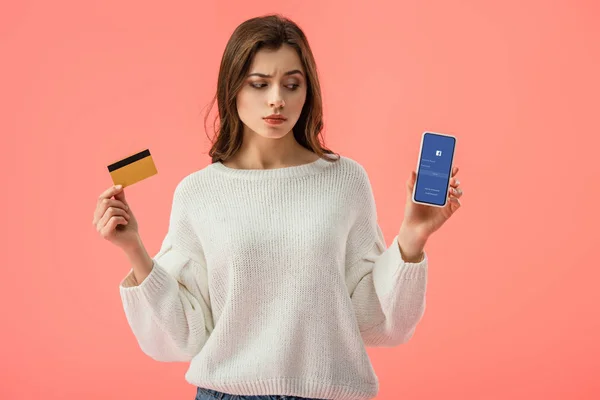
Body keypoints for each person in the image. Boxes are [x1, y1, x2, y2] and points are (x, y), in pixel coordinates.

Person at [92, 14, 463, 400]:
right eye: (259, 84)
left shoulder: (345, 181)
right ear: (232, 89)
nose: (277, 100)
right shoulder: (198, 192)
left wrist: (413, 237)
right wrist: (133, 247)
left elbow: (375, 322)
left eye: (291, 85)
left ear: (308, 91)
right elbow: (184, 335)